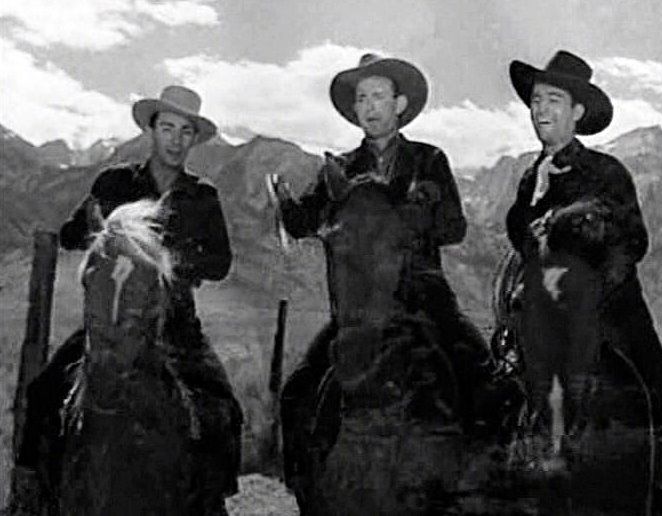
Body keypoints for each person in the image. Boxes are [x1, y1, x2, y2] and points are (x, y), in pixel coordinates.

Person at [273, 54, 500, 486]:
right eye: (362, 99)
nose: (369, 106)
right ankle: (304, 488)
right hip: (357, 311)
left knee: (483, 374)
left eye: (378, 96)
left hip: (424, 301)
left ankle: (484, 484)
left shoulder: (429, 160)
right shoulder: (339, 171)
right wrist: (286, 204)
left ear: (399, 104)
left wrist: (421, 212)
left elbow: (454, 229)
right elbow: (305, 221)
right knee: (298, 391)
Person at [16, 85, 241, 500]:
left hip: (175, 326)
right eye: (167, 128)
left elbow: (220, 262)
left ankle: (210, 501)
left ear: (194, 139)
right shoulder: (114, 183)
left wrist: (169, 260)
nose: (175, 140)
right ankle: (32, 495)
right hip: (110, 322)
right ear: (151, 131)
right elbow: (74, 233)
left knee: (224, 409)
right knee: (44, 392)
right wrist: (98, 232)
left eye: (185, 131)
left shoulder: (203, 196)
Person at [504, 50, 662, 434]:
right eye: (536, 100)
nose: (541, 110)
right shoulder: (529, 179)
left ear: (576, 112)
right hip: (543, 314)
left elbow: (633, 243)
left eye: (553, 100)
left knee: (652, 406)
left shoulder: (606, 171)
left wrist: (586, 296)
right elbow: (522, 244)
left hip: (607, 313)